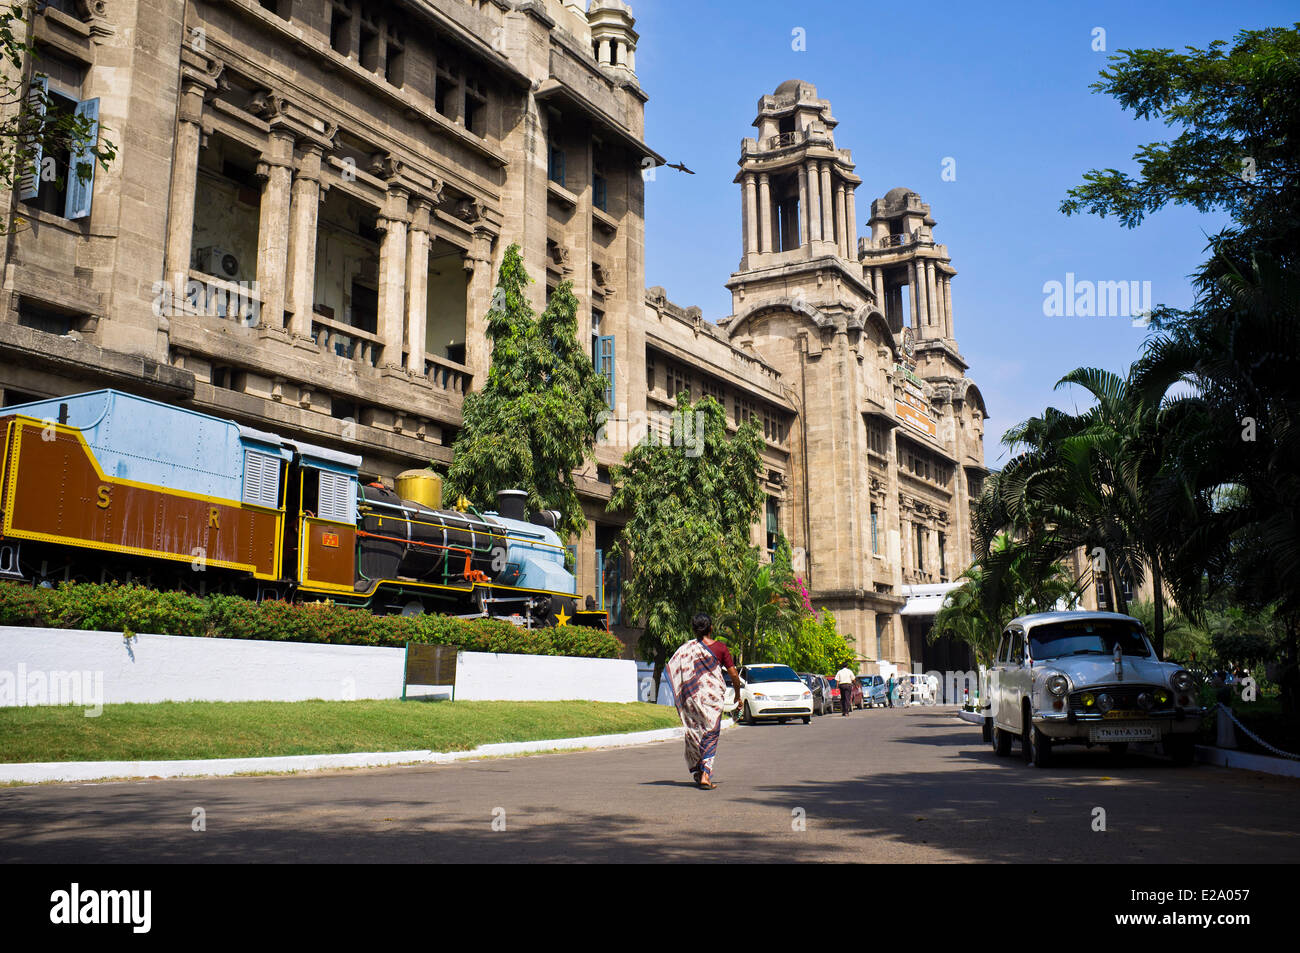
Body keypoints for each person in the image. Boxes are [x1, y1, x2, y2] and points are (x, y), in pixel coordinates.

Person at [665, 613, 740, 790]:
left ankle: (699, 771)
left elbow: (674, 668)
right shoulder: (720, 648)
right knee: (711, 732)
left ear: (694, 629)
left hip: (692, 697)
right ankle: (706, 774)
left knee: (695, 732)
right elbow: (733, 674)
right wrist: (737, 694)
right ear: (711, 628)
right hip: (711, 699)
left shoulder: (686, 649)